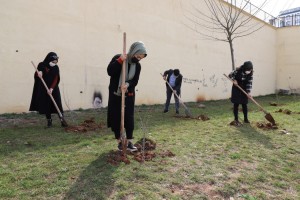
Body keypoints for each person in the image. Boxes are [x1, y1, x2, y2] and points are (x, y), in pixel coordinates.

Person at [107, 41, 147, 152]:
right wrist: (120, 61)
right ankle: (120, 142)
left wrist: (128, 84)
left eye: (141, 58)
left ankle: (129, 142)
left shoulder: (137, 66)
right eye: (138, 56)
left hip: (129, 95)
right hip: (116, 94)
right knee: (116, 117)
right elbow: (110, 71)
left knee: (129, 117)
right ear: (133, 51)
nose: (138, 59)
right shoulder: (118, 58)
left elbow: (135, 81)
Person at [29, 52, 66, 128]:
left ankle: (62, 120)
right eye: (53, 62)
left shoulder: (56, 67)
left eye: (56, 62)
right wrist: (38, 73)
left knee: (57, 104)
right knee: (47, 105)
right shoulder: (41, 65)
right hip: (44, 88)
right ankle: (49, 121)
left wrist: (51, 88)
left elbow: (56, 78)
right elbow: (37, 74)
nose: (54, 63)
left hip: (54, 88)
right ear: (49, 59)